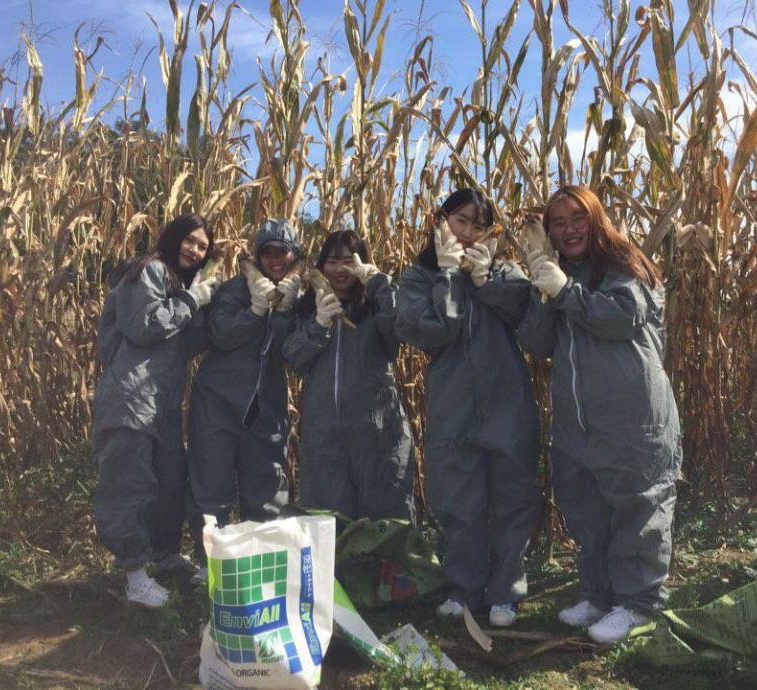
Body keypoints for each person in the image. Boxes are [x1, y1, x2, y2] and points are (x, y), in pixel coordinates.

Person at [519, 185, 682, 644]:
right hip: (578, 421)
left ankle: (638, 604)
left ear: (596, 219)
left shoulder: (624, 266)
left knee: (637, 506)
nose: (569, 230)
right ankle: (600, 595)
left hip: (631, 416)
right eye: (558, 223)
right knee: (588, 509)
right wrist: (544, 285)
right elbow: (536, 342)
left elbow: (620, 316)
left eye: (578, 218)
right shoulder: (558, 276)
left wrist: (565, 290)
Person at [394, 189, 540, 628]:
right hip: (453, 406)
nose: (469, 233)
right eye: (461, 221)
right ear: (440, 221)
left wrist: (485, 280)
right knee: (459, 504)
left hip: (507, 404)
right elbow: (434, 331)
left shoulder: (504, 271)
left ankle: (505, 593)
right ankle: (464, 589)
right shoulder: (418, 279)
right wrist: (450, 277)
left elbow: (528, 316)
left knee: (512, 500)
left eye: (479, 225)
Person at [92, 213, 219, 608]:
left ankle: (165, 556)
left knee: (169, 480)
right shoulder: (150, 270)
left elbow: (187, 345)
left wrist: (204, 303)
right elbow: (144, 325)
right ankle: (135, 577)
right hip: (130, 396)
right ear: (174, 237)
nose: (195, 250)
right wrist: (192, 301)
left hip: (162, 403)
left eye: (202, 247)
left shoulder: (180, 285)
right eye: (190, 240)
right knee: (129, 484)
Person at [187, 219, 303, 585]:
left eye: (282, 252)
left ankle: (262, 565)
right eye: (267, 253)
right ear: (257, 256)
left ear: (295, 255)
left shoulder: (299, 295)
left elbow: (292, 352)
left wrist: (284, 312)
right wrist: (254, 310)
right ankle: (210, 564)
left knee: (266, 486)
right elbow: (220, 334)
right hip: (217, 403)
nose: (275, 260)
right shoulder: (235, 289)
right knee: (211, 486)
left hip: (266, 407)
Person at [283, 230, 415, 524]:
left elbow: (401, 329)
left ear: (362, 263)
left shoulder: (376, 307)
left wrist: (379, 284)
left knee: (385, 521)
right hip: (325, 435)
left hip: (378, 432)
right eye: (331, 262)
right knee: (331, 521)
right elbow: (294, 359)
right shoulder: (307, 310)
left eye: (348, 261)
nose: (339, 270)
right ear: (321, 266)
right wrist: (319, 323)